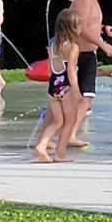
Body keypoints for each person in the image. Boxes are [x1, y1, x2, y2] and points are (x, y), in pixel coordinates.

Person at [60, 0, 112, 154]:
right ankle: (67, 134)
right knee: (83, 97)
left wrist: (104, 28)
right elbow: (80, 29)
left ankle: (69, 133)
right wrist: (104, 45)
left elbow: (91, 24)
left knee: (85, 98)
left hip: (87, 53)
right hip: (81, 53)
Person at [32, 14, 77, 162]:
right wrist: (76, 90)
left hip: (53, 85)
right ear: (73, 28)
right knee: (69, 121)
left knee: (57, 122)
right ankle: (60, 154)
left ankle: (41, 145)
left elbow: (51, 69)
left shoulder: (52, 44)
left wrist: (52, 85)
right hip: (66, 87)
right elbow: (70, 71)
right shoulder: (73, 46)